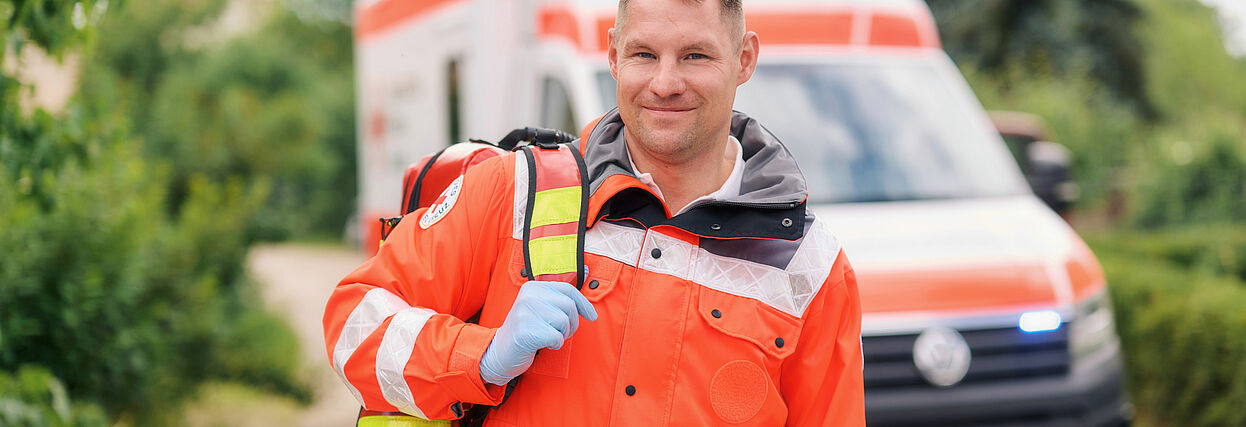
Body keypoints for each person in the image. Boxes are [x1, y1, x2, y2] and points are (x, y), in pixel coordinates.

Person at [322, 0, 865, 425]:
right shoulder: (514, 194)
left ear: (744, 58)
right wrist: (479, 356)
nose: (665, 83)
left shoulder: (809, 267)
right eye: (644, 54)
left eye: (695, 55)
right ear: (612, 54)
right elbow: (353, 324)